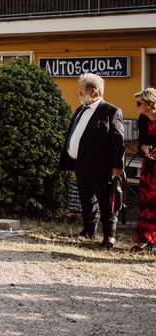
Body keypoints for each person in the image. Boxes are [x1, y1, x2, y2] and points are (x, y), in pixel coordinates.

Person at [59, 73, 125, 248]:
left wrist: (118, 166)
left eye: (81, 90)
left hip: (102, 167)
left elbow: (118, 142)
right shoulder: (80, 110)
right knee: (86, 199)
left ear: (93, 91)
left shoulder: (111, 111)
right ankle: (89, 230)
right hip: (81, 164)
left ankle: (109, 236)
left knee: (106, 202)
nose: (79, 94)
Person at [131, 88, 156, 252]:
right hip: (149, 167)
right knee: (145, 203)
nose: (137, 106)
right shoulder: (142, 119)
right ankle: (143, 240)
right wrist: (144, 148)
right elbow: (140, 144)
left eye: (139, 103)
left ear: (148, 104)